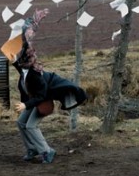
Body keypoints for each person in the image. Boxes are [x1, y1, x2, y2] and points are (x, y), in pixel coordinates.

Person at [12, 10, 87, 163]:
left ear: (27, 61)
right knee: (21, 123)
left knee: (31, 126)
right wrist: (32, 24)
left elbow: (41, 95)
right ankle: (32, 149)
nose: (19, 58)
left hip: (43, 102)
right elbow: (26, 45)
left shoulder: (36, 75)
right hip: (34, 101)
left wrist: (25, 104)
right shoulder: (25, 69)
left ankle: (47, 152)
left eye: (19, 58)